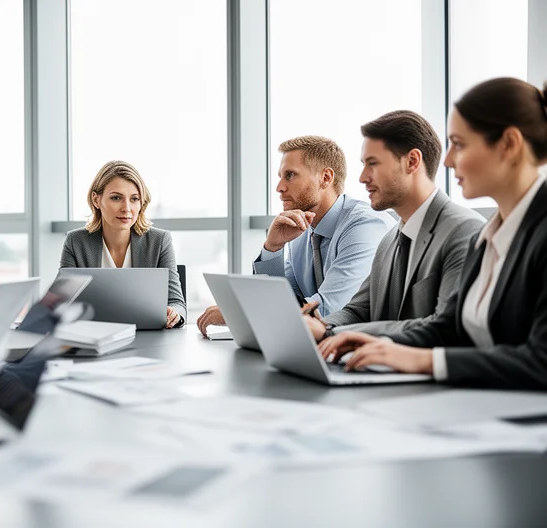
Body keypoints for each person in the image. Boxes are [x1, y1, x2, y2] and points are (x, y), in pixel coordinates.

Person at [320, 77, 547, 390]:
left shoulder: (495, 231)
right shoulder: (492, 235)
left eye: (460, 144)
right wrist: (367, 340)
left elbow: (541, 361)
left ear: (509, 144)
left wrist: (425, 360)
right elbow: (448, 326)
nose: (449, 160)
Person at [305, 111, 484, 341]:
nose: (362, 177)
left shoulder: (464, 231)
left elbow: (444, 328)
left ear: (412, 162)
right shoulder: (389, 240)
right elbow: (358, 311)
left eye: (373, 164)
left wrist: (331, 333)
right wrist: (314, 326)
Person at [197, 135, 395, 336]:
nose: (279, 188)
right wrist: (273, 247)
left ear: (325, 178)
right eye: (280, 176)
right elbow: (284, 301)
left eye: (290, 175)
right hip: (314, 347)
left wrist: (238, 313)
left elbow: (327, 311)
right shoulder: (301, 229)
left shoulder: (365, 226)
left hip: (365, 351)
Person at [60, 160, 186, 328]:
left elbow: (177, 302)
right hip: (93, 339)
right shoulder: (76, 242)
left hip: (149, 340)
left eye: (134, 199)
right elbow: (60, 301)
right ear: (96, 200)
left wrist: (174, 314)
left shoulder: (160, 241)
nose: (127, 208)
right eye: (116, 198)